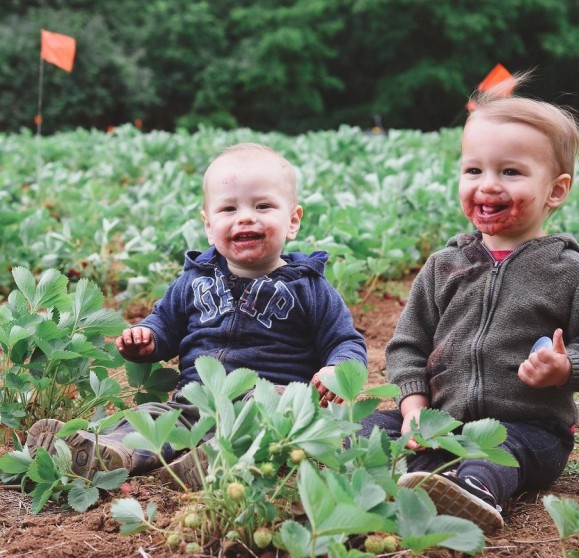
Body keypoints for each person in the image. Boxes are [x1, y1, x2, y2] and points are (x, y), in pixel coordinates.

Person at [359, 77, 579, 534]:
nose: (488, 185)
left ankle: (472, 492)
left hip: (530, 430)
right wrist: (414, 407)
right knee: (361, 428)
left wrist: (567, 366)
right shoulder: (444, 266)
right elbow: (407, 345)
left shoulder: (572, 273)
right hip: (442, 420)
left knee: (492, 457)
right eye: (474, 171)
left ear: (556, 191)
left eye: (510, 172)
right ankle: (423, 467)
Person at [27, 143, 367, 489]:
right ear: (208, 226)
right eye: (228, 208)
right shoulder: (194, 279)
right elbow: (165, 324)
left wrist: (337, 368)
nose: (245, 217)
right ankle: (107, 451)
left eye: (263, 206)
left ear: (292, 221)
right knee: (153, 420)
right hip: (194, 400)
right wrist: (146, 338)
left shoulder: (309, 287)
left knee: (275, 411)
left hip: (267, 397)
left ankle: (215, 457)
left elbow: (345, 340)